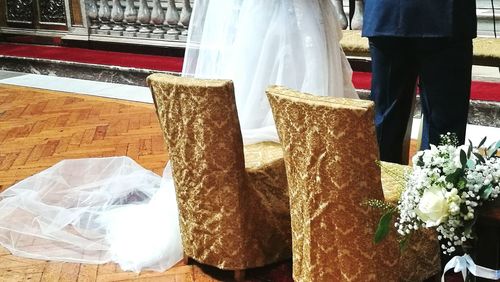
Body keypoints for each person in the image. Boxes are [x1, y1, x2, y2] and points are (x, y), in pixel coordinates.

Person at [0, 0, 357, 273]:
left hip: (303, 21)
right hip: (280, 21)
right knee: (279, 101)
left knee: (307, 101)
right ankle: (298, 218)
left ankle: (303, 215)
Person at [362, 0, 477, 164]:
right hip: (445, 15)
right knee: (444, 127)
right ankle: (436, 187)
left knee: (386, 120)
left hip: (387, 12)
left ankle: (381, 187)